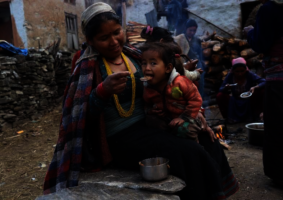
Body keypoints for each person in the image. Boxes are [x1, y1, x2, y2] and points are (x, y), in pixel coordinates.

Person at [43, 3, 239, 199]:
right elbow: (79, 120)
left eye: (117, 32)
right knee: (188, 152)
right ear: (91, 41)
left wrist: (194, 115)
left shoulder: (136, 56)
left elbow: (170, 86)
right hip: (120, 138)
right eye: (104, 38)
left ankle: (219, 192)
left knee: (208, 138)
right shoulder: (87, 69)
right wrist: (102, 92)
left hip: (152, 124)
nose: (113, 41)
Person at [244, 0, 283, 186]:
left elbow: (261, 43)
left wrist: (251, 32)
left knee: (276, 126)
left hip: (279, 79)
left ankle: (279, 173)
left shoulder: (270, 9)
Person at [141, 42, 202, 142]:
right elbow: (146, 102)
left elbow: (195, 99)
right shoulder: (148, 86)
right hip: (167, 119)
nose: (147, 68)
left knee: (185, 130)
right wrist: (150, 110)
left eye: (153, 63)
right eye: (144, 63)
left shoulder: (180, 82)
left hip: (188, 117)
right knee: (150, 122)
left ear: (168, 68)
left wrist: (184, 118)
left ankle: (196, 149)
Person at [216, 57, 265, 124]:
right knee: (220, 95)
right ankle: (228, 117)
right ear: (233, 71)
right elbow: (220, 89)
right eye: (237, 71)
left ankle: (257, 115)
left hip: (249, 99)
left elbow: (264, 82)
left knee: (262, 90)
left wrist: (255, 87)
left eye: (242, 71)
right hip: (235, 100)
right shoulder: (230, 75)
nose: (240, 74)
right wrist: (226, 88)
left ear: (245, 70)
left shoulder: (249, 74)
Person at [184, 19, 206, 98]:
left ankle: (200, 101)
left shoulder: (197, 40)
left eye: (194, 30)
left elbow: (200, 53)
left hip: (197, 63)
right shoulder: (182, 39)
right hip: (186, 64)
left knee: (200, 82)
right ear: (186, 29)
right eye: (190, 30)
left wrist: (201, 63)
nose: (192, 32)